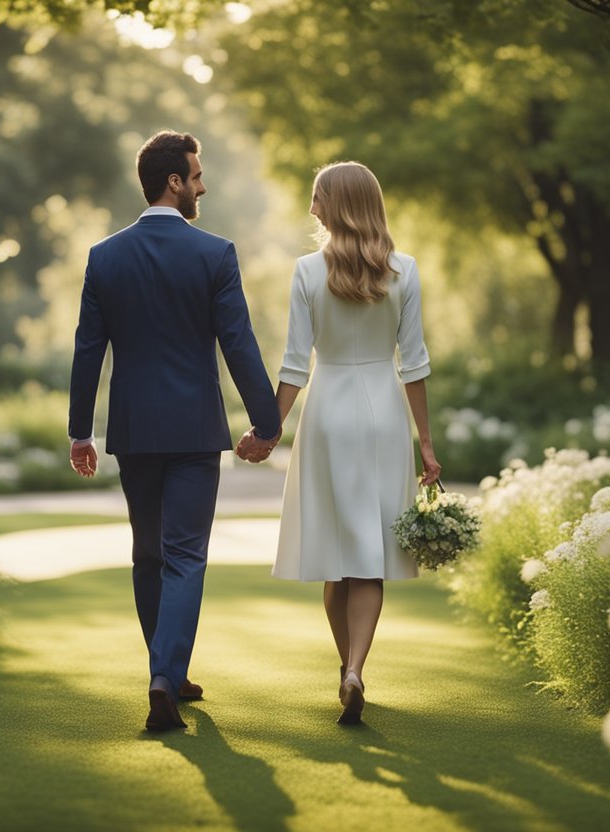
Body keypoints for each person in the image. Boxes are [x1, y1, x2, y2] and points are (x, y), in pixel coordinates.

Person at [68, 130, 282, 733]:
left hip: (134, 429)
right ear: (174, 182)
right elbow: (238, 345)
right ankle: (165, 676)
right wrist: (267, 423)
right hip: (193, 430)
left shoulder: (103, 256)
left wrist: (80, 430)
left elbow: (89, 351)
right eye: (197, 174)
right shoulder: (214, 254)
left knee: (147, 555)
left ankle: (168, 671)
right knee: (185, 556)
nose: (203, 185)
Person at [237, 161, 441, 725]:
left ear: (338, 203)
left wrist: (267, 432)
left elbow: (295, 366)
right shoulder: (405, 270)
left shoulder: (306, 271)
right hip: (382, 416)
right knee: (368, 554)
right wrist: (427, 443)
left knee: (334, 554)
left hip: (327, 413)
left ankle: (348, 672)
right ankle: (354, 667)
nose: (311, 209)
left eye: (316, 197)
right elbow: (415, 365)